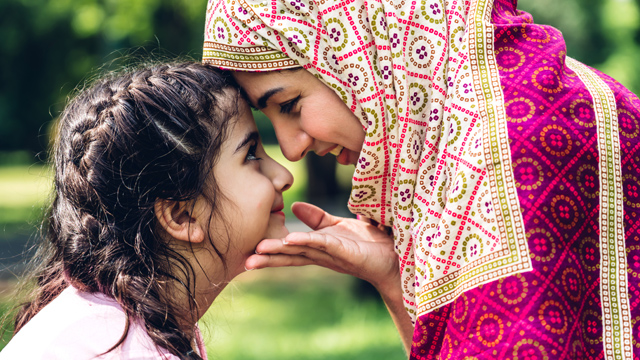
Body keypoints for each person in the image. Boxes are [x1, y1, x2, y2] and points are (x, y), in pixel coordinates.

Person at [203, 0, 640, 358]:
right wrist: (393, 279)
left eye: (291, 105)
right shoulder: (458, 130)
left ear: (357, 48)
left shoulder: (514, 135)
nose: (291, 149)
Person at [0, 61, 301, 359]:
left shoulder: (112, 324)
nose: (284, 176)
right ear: (181, 215)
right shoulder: (122, 348)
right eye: (250, 154)